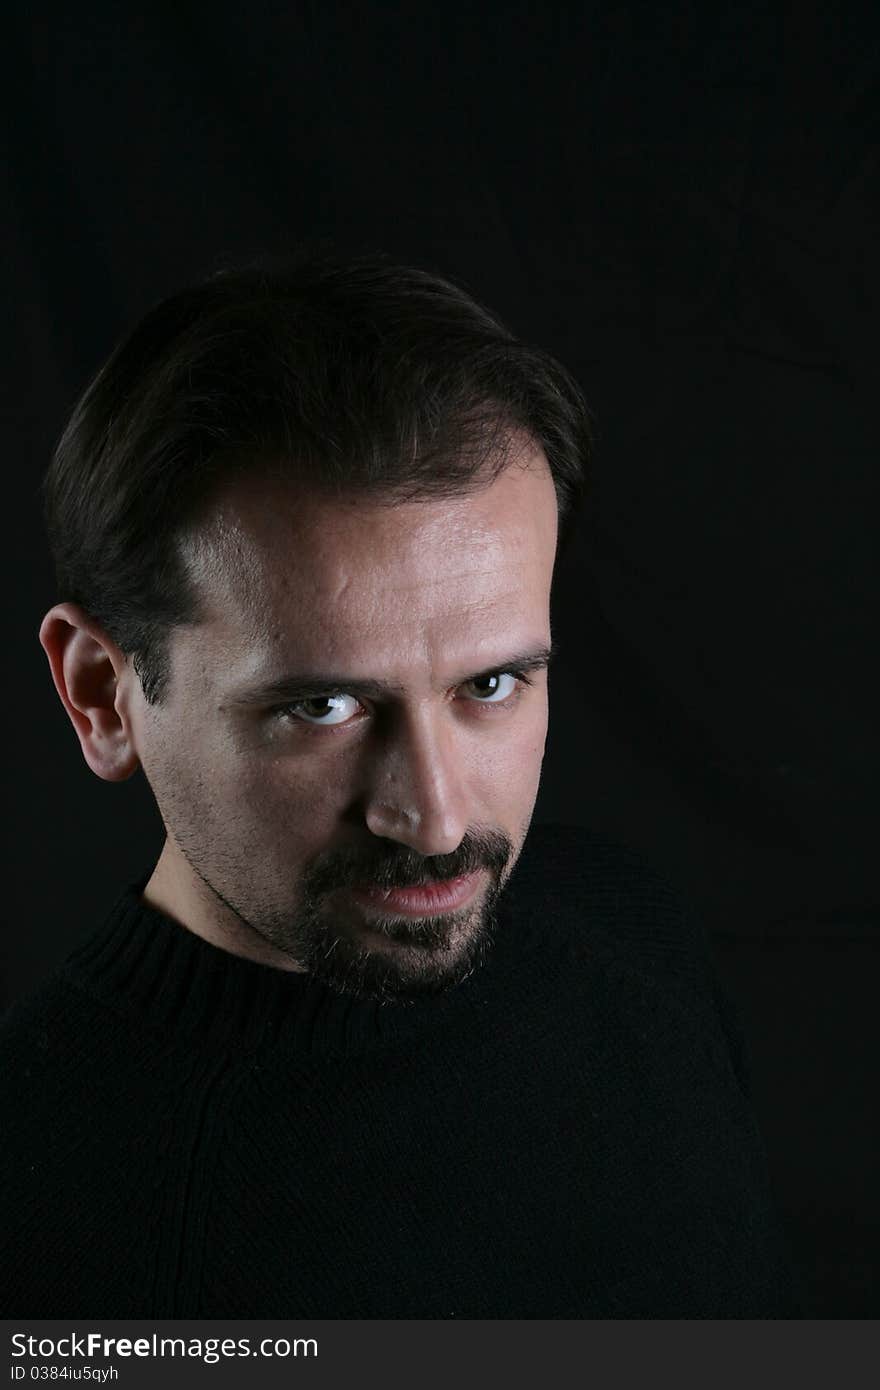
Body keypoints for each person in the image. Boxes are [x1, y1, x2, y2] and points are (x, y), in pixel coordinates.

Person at [1, 251, 798, 1317]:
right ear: (102, 694)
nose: (435, 818)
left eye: (492, 682)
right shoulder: (39, 1199)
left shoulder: (628, 934)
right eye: (322, 707)